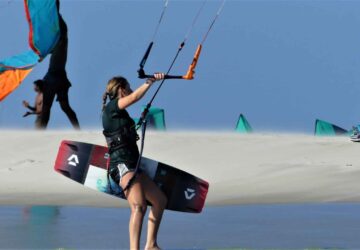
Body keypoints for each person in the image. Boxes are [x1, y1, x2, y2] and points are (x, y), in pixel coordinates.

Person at [102, 74, 167, 250]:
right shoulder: (111, 108)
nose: (131, 90)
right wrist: (150, 82)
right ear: (121, 90)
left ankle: (151, 245)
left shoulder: (120, 114)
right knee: (138, 207)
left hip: (134, 164)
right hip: (122, 165)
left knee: (160, 200)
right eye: (129, 87)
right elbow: (135, 97)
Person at [38, 0, 80, 129]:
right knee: (60, 106)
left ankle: (78, 130)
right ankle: (39, 133)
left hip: (55, 77)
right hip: (58, 76)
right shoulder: (56, 42)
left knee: (51, 108)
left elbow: (54, 11)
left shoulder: (61, 38)